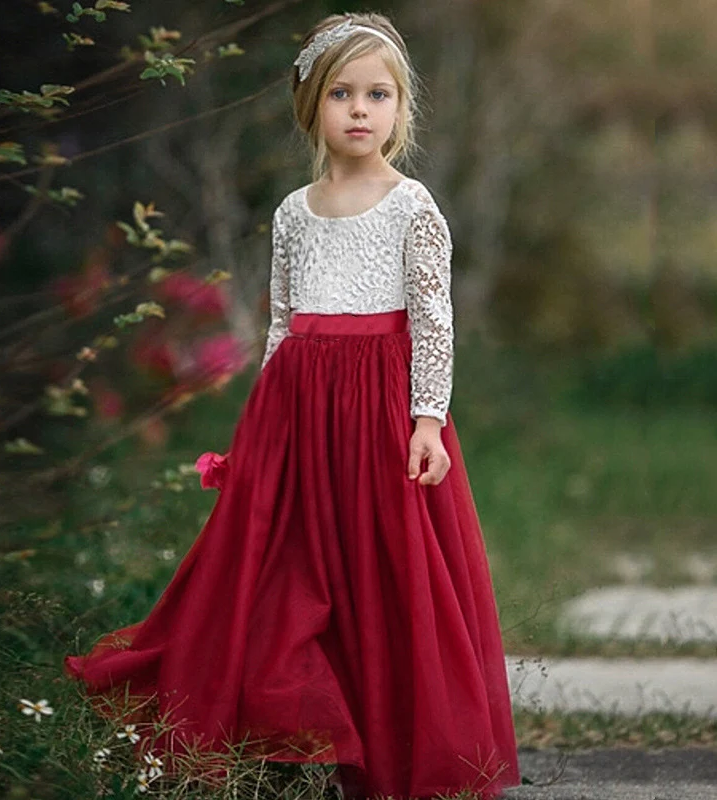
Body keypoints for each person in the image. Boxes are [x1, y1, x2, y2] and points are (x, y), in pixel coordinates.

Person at [64, 11, 521, 800]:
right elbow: (280, 322)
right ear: (311, 105)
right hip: (300, 406)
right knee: (286, 568)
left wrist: (424, 420)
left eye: (378, 94)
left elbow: (433, 322)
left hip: (381, 408)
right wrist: (262, 431)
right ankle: (278, 740)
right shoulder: (292, 211)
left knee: (381, 570)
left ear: (400, 109)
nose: (358, 109)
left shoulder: (413, 207)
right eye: (341, 93)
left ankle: (389, 750)